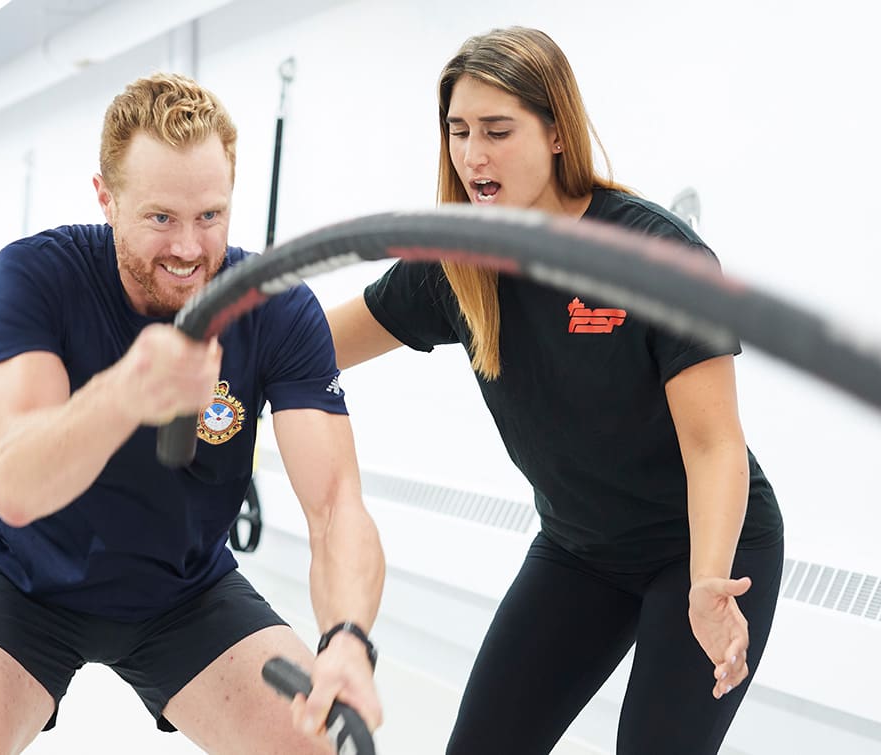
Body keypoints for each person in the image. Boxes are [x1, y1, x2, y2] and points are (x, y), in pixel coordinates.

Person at [326, 27, 784, 755]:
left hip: (700, 549)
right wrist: (211, 360)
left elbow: (714, 445)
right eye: (458, 131)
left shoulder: (654, 253)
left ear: (557, 132)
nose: (473, 156)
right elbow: (315, 345)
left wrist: (707, 580)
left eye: (497, 131)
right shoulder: (455, 261)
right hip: (581, 548)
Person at [0, 72, 385, 754]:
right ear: (107, 197)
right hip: (26, 584)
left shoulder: (276, 307)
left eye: (209, 216)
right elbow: (15, 486)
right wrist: (127, 391)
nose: (187, 248)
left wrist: (347, 638)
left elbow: (336, 505)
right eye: (161, 218)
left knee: (316, 745)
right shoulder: (38, 276)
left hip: (185, 593)